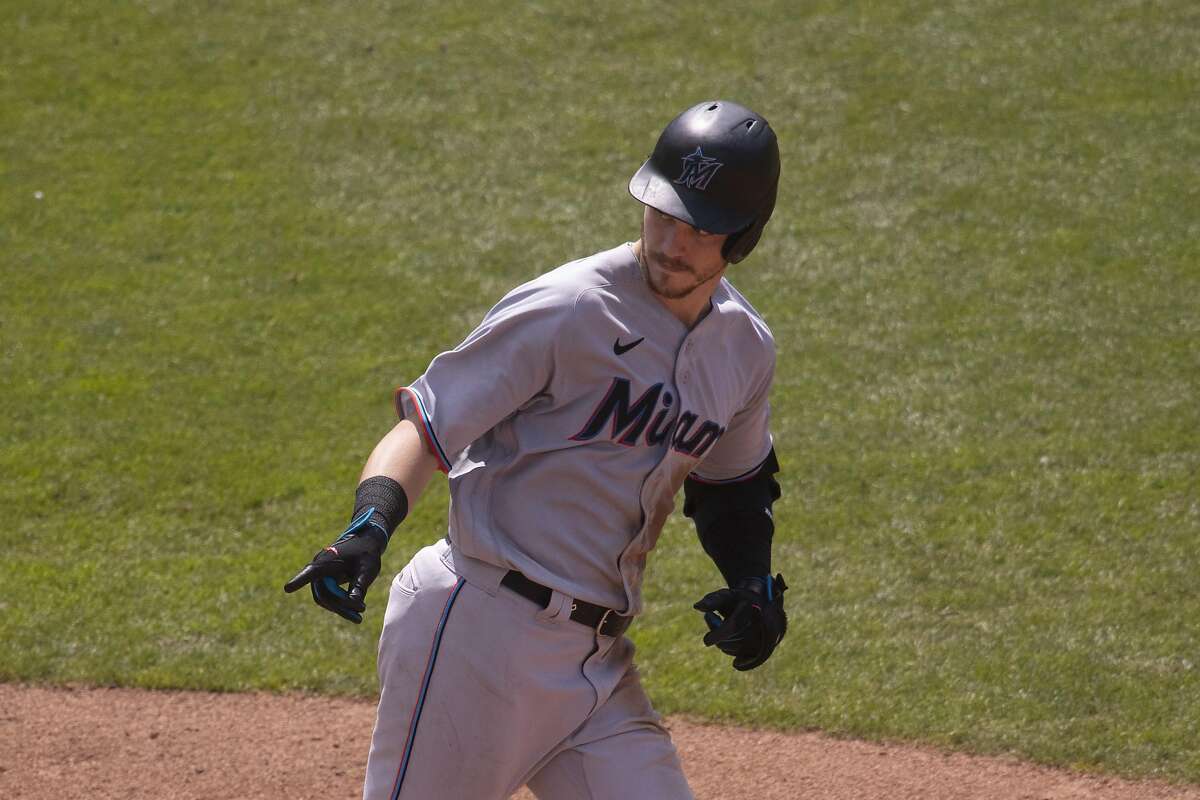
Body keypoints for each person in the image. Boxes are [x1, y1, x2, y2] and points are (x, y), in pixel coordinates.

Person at [285, 99, 789, 800]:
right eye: (662, 214)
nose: (673, 242)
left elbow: (733, 486)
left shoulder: (744, 348)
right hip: (481, 637)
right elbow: (427, 429)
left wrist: (755, 586)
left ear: (743, 236)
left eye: (699, 229)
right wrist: (369, 524)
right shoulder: (568, 307)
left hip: (598, 665)